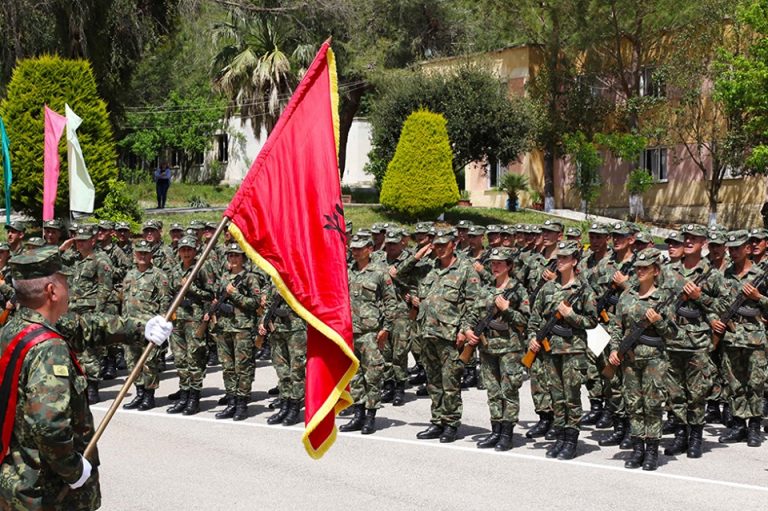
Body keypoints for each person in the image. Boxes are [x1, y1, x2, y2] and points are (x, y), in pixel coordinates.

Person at [0, 247, 172, 509]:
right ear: (51, 291)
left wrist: (141, 329)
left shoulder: (13, 328)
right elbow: (49, 426)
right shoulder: (48, 348)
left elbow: (85, 326)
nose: (70, 288)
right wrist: (73, 470)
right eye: (65, 282)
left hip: (15, 481)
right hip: (49, 491)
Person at [527, 241, 598, 460]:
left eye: (565, 258)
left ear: (575, 261)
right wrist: (532, 338)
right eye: (559, 258)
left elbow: (592, 321)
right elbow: (534, 317)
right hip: (550, 351)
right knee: (556, 396)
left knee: (571, 397)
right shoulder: (548, 288)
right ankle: (560, 435)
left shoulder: (584, 290)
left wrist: (570, 316)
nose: (560, 261)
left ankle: (571, 439)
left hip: (573, 351)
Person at [608, 247, 676, 471]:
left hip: (655, 359)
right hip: (629, 360)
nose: (640, 272)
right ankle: (638, 449)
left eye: (645, 268)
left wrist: (658, 321)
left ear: (656, 270)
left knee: (653, 404)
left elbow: (673, 333)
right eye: (637, 268)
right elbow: (616, 326)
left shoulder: (664, 297)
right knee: (634, 404)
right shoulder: (627, 295)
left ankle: (652, 451)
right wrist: (614, 349)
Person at [465, 248, 529, 451]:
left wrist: (507, 310)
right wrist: (467, 330)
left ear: (509, 265)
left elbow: (525, 321)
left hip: (510, 349)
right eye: (493, 263)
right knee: (493, 391)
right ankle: (495, 430)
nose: (495, 267)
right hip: (487, 348)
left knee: (508, 391)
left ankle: (507, 434)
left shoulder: (517, 290)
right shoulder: (485, 289)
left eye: (500, 263)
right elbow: (472, 313)